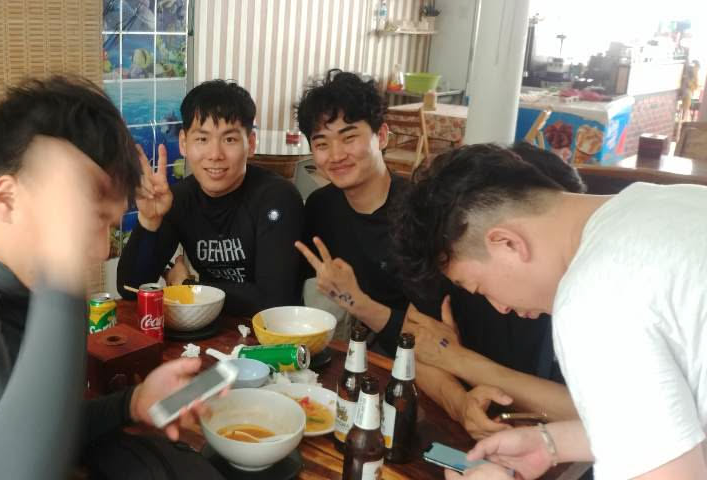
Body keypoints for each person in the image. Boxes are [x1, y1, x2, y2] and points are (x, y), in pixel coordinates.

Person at [0, 76, 213, 480]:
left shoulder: (27, 289)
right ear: (7, 199)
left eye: (108, 223)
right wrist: (61, 272)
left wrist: (133, 402)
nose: (101, 250)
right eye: (90, 218)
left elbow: (41, 427)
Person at [394, 143, 707, 479]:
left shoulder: (595, 297)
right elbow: (663, 428)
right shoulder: (664, 200)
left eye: (480, 288)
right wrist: (553, 442)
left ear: (507, 243)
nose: (500, 306)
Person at [402, 142, 583, 440]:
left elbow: (597, 413)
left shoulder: (593, 292)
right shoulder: (458, 257)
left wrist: (460, 361)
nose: (501, 306)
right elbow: (416, 346)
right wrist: (460, 404)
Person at [116, 80, 304, 317]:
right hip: (208, 327)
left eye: (229, 140)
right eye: (202, 139)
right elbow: (129, 289)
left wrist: (189, 288)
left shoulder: (277, 198)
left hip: (273, 334)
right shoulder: (178, 199)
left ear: (251, 143)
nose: (215, 155)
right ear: (183, 143)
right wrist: (149, 221)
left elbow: (275, 302)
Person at [291, 69, 410, 355]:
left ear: (382, 136)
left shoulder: (418, 211)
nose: (336, 155)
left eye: (349, 137)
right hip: (356, 351)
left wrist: (354, 300)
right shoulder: (321, 206)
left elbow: (437, 335)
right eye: (322, 143)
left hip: (417, 359)